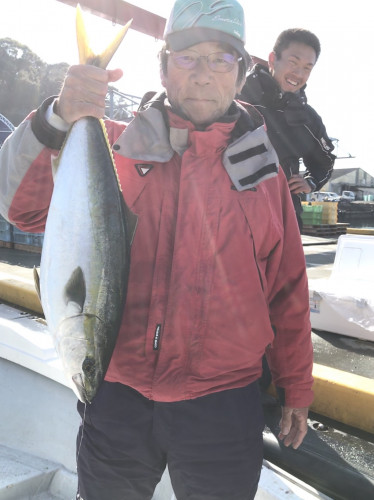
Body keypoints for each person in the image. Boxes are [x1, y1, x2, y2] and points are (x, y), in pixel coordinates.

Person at [0, 1, 314, 499]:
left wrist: (296, 386)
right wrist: (58, 117)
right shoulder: (116, 148)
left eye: (221, 59)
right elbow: (19, 207)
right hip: (117, 397)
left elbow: (289, 288)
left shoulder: (265, 174)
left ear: (242, 72)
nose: (204, 74)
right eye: (189, 57)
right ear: (164, 66)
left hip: (224, 405)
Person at [239, 28, 336, 231]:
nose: (298, 74)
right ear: (273, 59)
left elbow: (325, 161)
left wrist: (311, 181)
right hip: (234, 213)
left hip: (285, 217)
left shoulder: (308, 118)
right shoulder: (236, 95)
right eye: (293, 62)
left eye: (307, 68)